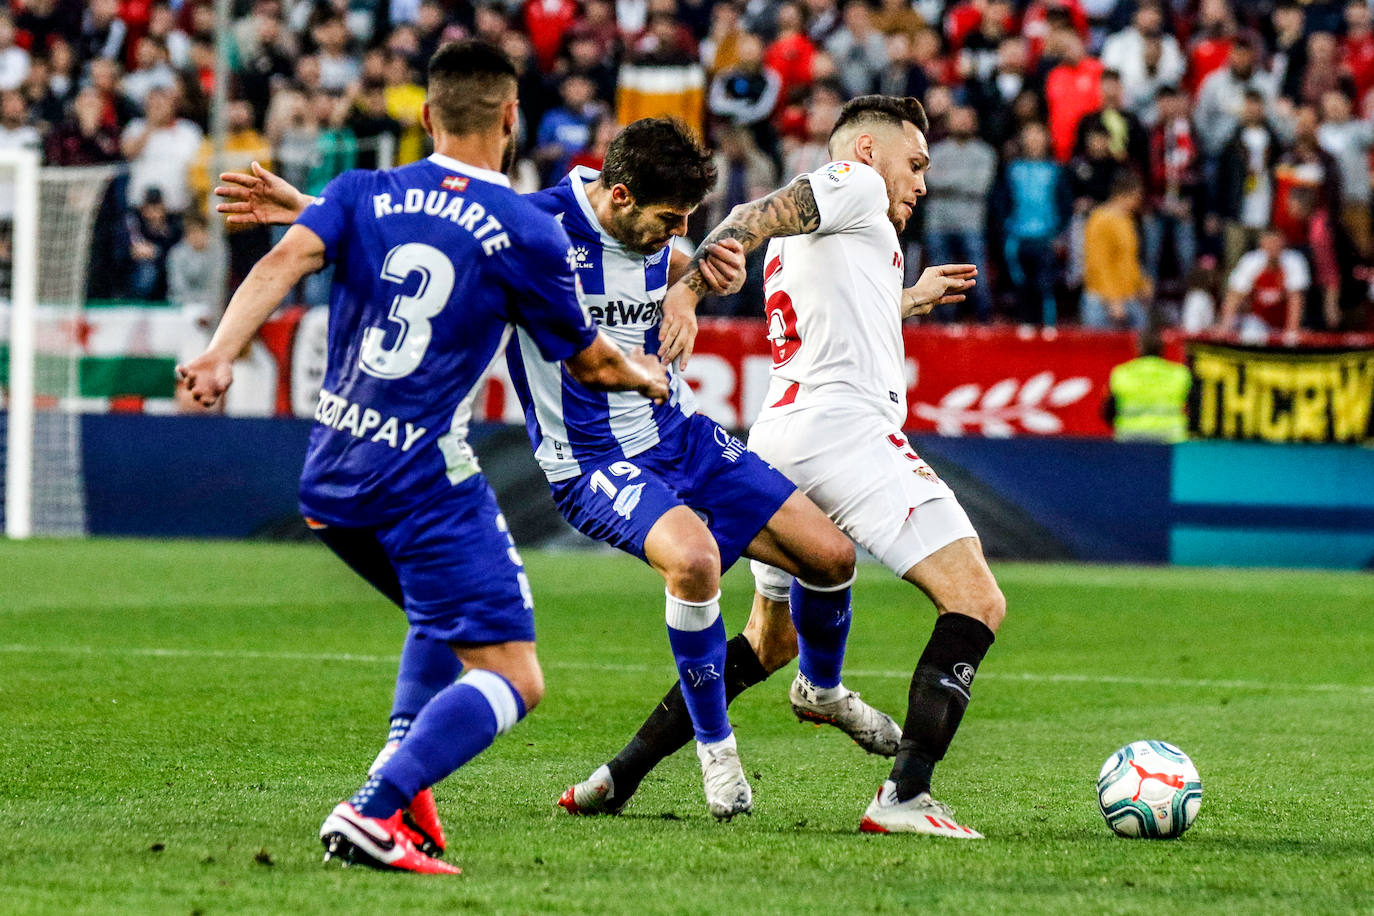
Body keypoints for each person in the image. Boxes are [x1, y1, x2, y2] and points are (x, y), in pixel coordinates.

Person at [216, 118, 895, 826]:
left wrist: (698, 280)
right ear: (622, 195)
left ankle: (820, 689)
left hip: (681, 434)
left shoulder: (657, 235)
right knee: (693, 561)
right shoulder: (532, 226)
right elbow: (416, 230)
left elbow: (679, 262)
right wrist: (304, 208)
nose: (674, 233)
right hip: (592, 460)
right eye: (668, 220)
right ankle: (716, 752)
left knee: (830, 554)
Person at [180, 40, 670, 876]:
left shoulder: (363, 192)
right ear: (512, 118)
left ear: (424, 114)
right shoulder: (526, 230)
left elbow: (281, 259)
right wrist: (644, 373)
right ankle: (372, 810)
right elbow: (587, 360)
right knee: (515, 675)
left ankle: (401, 795)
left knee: (438, 623)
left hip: (330, 477)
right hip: (420, 479)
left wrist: (222, 354)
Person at [571, 95, 1003, 837]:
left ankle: (620, 774)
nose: (922, 183)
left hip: (783, 435)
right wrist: (688, 287)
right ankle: (902, 797)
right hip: (847, 434)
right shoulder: (852, 184)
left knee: (770, 641)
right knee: (976, 599)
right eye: (916, 163)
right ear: (867, 153)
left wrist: (908, 299)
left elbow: (836, 315)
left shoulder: (845, 235)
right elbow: (753, 212)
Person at [1081, 170, 1151, 330]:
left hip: (1129, 296)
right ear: (1127, 194)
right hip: (1102, 301)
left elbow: (1128, 259)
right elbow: (1098, 264)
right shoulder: (1100, 220)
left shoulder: (1126, 220)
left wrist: (1142, 283)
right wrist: (1113, 300)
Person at [1101, 328, 1191, 442]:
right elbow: (1192, 409)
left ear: (1138, 348)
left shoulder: (1121, 373)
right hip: (1170, 437)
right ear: (1162, 349)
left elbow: (1108, 412)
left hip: (1130, 437)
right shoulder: (1180, 374)